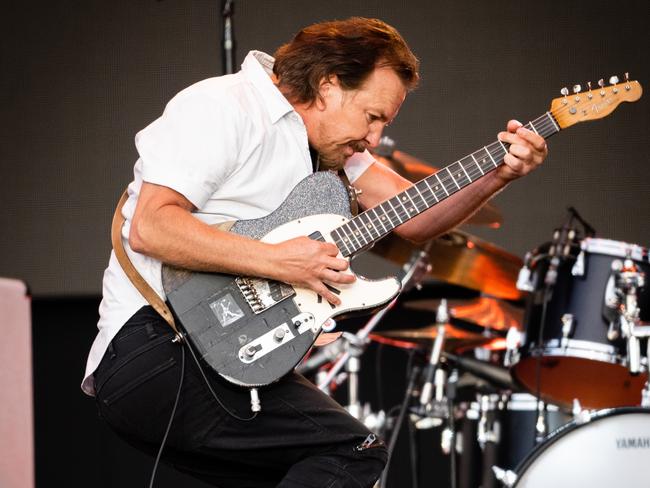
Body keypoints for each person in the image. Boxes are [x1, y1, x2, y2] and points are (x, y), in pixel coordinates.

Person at [82, 17, 547, 488]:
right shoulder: (225, 106)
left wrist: (499, 173)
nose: (374, 137)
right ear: (328, 86)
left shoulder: (331, 152)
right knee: (349, 452)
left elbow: (415, 219)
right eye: (374, 116)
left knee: (310, 471)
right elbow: (152, 227)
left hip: (219, 355)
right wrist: (283, 262)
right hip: (158, 347)